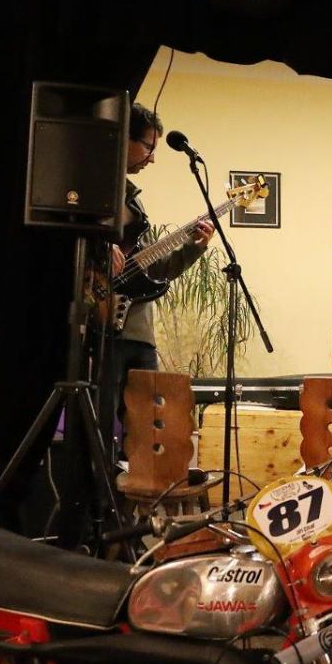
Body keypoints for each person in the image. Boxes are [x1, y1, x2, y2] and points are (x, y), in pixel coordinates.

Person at [97, 103, 215, 457]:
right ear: (125, 139)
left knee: (148, 425)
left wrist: (195, 247)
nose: (152, 158)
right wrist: (100, 247)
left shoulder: (135, 204)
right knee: (100, 420)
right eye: (148, 147)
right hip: (101, 328)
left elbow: (156, 271)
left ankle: (139, 486)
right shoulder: (92, 187)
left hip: (140, 334)